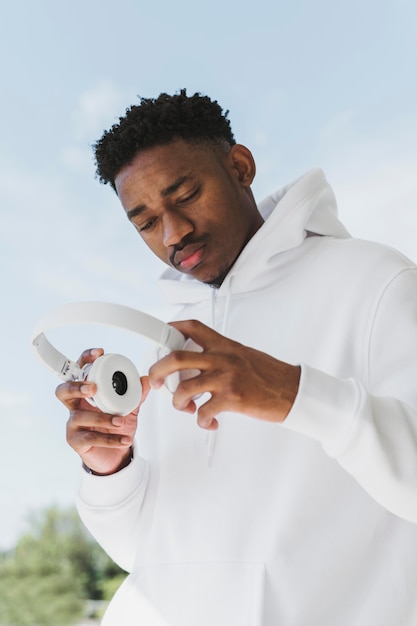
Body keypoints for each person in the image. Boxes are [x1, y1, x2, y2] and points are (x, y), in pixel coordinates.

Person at [56, 90, 417, 626]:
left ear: (240, 166)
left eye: (185, 194)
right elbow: (147, 557)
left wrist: (295, 394)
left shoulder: (378, 283)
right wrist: (110, 468)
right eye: (147, 222)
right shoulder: (170, 344)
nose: (173, 232)